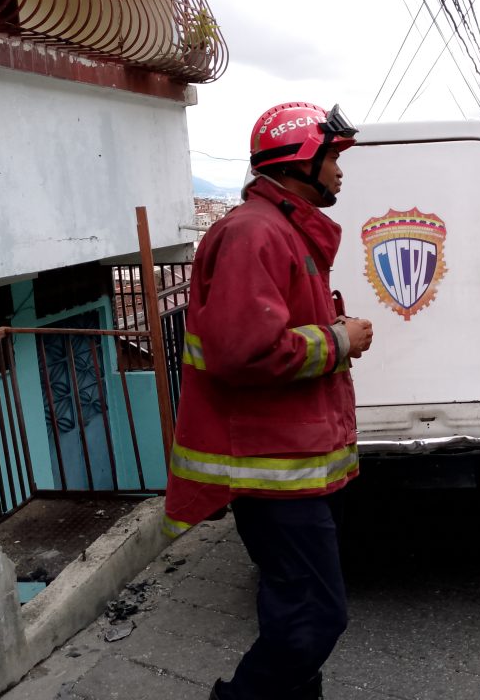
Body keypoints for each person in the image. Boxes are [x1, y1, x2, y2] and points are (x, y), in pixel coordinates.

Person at [163, 101, 374, 699]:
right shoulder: (256, 233)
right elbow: (242, 351)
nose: (339, 170)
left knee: (295, 617)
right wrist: (339, 340)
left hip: (292, 469)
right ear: (300, 160)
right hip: (274, 476)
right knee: (313, 619)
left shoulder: (283, 231)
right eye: (333, 156)